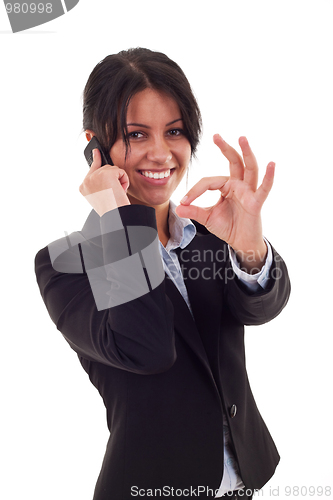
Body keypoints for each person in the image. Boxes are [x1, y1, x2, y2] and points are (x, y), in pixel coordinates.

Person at [35, 48, 291, 499]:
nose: (161, 153)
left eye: (174, 131)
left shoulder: (209, 233)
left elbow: (260, 309)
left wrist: (249, 247)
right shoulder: (65, 264)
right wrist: (117, 216)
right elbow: (146, 347)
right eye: (136, 134)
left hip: (242, 482)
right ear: (96, 147)